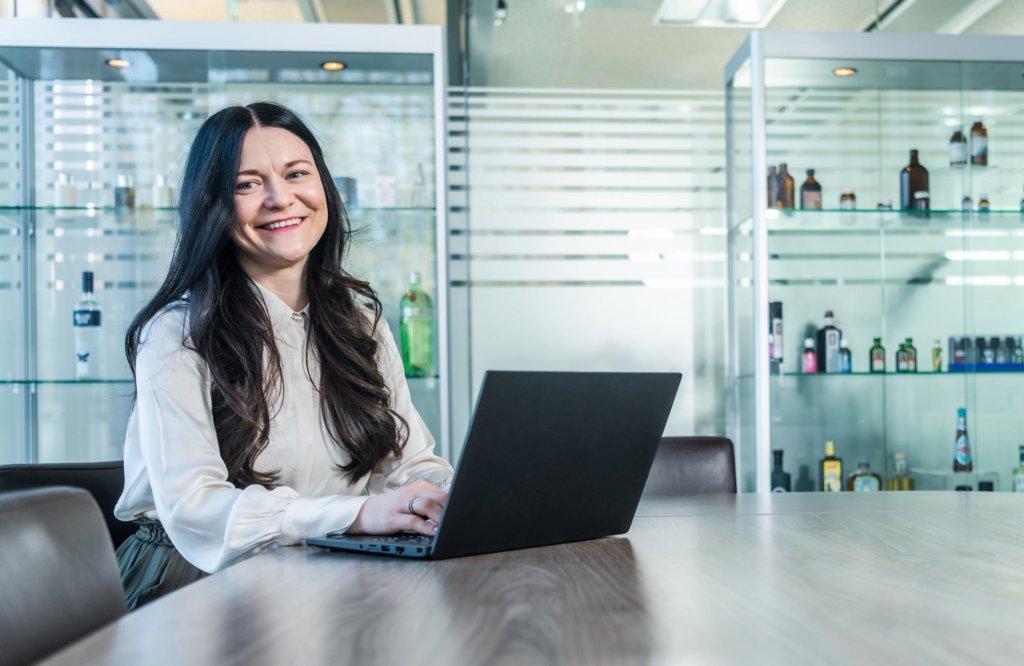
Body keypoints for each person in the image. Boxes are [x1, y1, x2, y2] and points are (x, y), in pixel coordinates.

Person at [114, 102, 452, 609]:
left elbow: (410, 467)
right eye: (247, 184)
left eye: (297, 174)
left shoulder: (362, 325)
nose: (280, 198)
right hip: (189, 582)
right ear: (214, 206)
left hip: (321, 567)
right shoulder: (177, 335)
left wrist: (460, 501)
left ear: (325, 191)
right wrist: (356, 516)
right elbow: (195, 509)